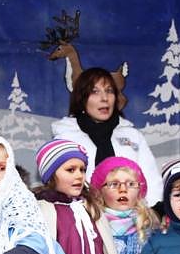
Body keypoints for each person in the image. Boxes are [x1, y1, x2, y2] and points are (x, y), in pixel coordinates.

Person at [51, 67, 163, 206]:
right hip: (82, 215)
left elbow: (152, 181)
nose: (104, 98)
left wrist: (151, 212)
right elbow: (59, 186)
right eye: (95, 92)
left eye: (109, 91)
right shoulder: (66, 138)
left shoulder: (132, 135)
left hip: (131, 215)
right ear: (82, 98)